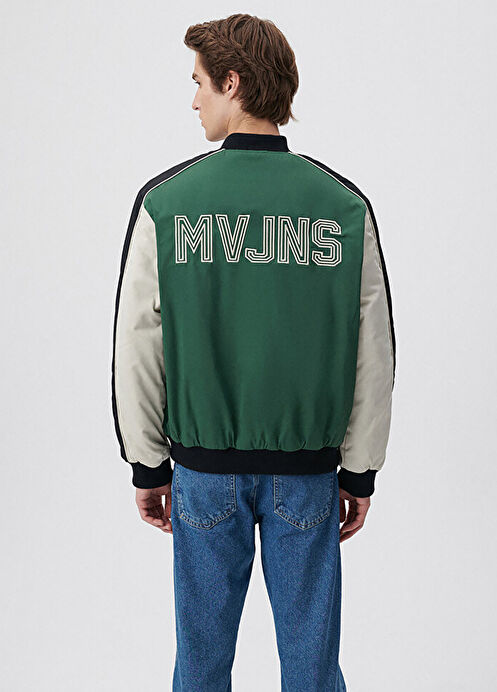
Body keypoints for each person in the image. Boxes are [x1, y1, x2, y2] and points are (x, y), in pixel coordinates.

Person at [111, 13, 396, 691]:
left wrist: (147, 462)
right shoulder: (342, 207)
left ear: (232, 83)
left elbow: (138, 344)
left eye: (199, 82)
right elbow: (374, 352)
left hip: (204, 474)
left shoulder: (166, 204)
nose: (194, 100)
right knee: (311, 669)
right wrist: (358, 471)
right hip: (307, 474)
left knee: (201, 666)